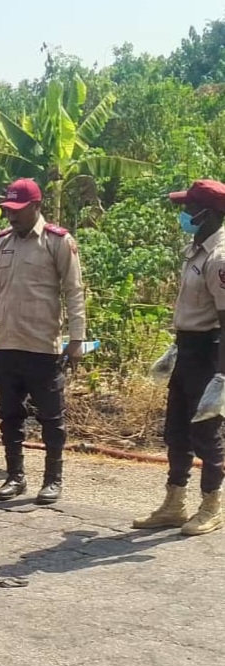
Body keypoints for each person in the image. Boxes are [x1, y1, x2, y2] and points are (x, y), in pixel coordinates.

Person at [0, 179, 86, 504]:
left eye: (18, 211)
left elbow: (74, 291)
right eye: (8, 210)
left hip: (42, 348)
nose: (11, 217)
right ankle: (15, 477)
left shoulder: (57, 242)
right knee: (9, 416)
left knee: (51, 418)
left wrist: (77, 338)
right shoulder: (1, 245)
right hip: (7, 346)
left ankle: (53, 480)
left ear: (37, 206)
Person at [133, 179, 225, 536]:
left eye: (189, 209)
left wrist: (221, 376)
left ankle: (211, 505)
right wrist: (176, 348)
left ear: (209, 214)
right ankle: (174, 504)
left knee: (205, 432)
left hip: (209, 353)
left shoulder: (219, 257)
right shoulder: (196, 249)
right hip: (187, 349)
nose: (184, 214)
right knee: (175, 431)